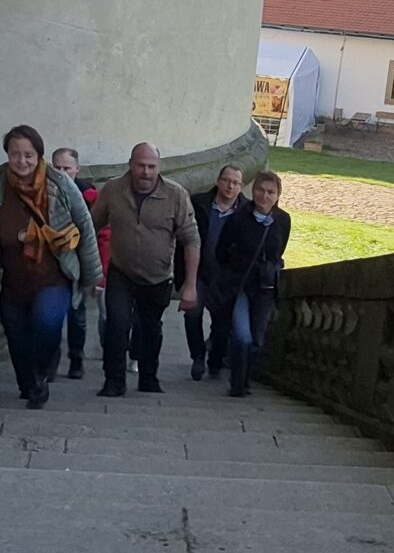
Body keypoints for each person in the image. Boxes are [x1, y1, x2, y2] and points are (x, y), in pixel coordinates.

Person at [0, 124, 102, 409]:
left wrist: (92, 275)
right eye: (16, 154)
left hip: (53, 278)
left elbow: (85, 226)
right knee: (17, 340)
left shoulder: (60, 185)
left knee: (47, 323)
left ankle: (41, 375)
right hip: (11, 283)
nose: (22, 161)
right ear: (7, 155)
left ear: (39, 155)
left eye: (28, 155)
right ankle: (29, 384)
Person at [88, 141, 198, 396]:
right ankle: (114, 381)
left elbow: (191, 239)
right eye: (140, 166)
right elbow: (92, 225)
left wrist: (190, 285)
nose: (146, 172)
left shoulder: (176, 195)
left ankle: (149, 377)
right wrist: (91, 268)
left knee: (150, 328)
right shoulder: (113, 189)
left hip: (158, 277)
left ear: (159, 167)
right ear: (130, 165)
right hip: (121, 272)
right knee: (117, 324)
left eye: (151, 166)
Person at [204, 169, 291, 397]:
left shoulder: (283, 220)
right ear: (253, 191)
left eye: (271, 192)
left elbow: (278, 251)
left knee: (258, 339)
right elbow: (221, 250)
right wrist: (236, 268)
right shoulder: (239, 218)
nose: (265, 196)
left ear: (278, 195)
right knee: (243, 334)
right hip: (240, 285)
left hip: (265, 288)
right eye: (261, 190)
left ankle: (246, 378)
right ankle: (237, 383)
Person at [185, 163, 246, 381]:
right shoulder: (199, 203)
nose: (230, 186)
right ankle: (198, 355)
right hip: (199, 272)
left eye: (235, 183)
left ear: (241, 186)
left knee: (222, 325)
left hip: (227, 279)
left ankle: (215, 360)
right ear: (218, 181)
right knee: (192, 314)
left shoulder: (246, 212)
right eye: (226, 181)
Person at [51, 146, 100, 380]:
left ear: (77, 169)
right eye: (57, 168)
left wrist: (94, 273)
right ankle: (50, 361)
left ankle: (76, 358)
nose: (62, 173)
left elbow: (96, 235)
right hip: (51, 263)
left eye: (67, 168)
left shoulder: (89, 196)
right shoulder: (44, 192)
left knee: (77, 315)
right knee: (51, 316)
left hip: (78, 264)